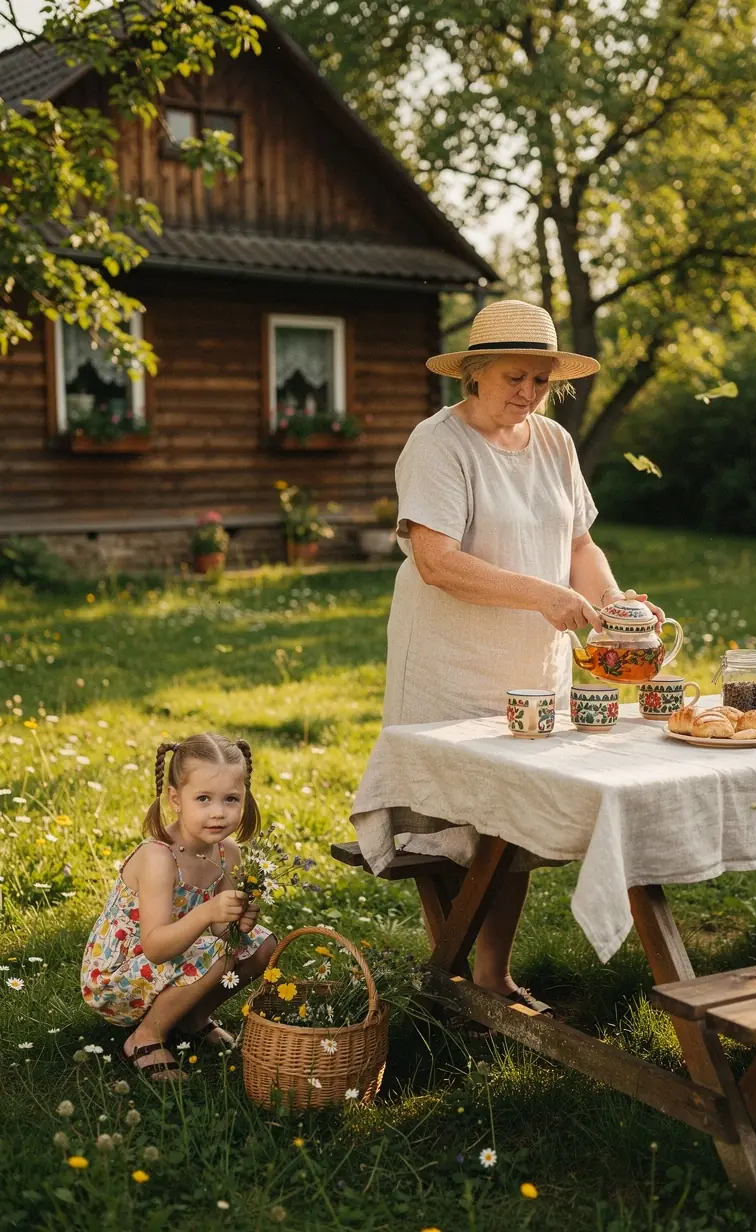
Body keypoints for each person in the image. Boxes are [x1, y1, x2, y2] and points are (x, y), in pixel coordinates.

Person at [352, 299, 664, 1012]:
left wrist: (615, 609)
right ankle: (454, 972)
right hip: (450, 661)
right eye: (513, 377)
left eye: (539, 381)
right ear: (474, 374)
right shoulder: (438, 445)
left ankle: (489, 975)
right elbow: (435, 561)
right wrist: (541, 595)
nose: (526, 393)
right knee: (462, 817)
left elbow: (580, 544)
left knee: (511, 812)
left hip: (533, 661)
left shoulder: (553, 443)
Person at [81, 732, 278, 1080]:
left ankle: (191, 1018)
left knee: (261, 945)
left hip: (176, 956)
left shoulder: (226, 851)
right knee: (218, 955)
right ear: (175, 798)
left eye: (231, 799)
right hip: (119, 975)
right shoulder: (159, 857)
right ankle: (144, 1039)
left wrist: (238, 920)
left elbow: (221, 932)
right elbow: (155, 948)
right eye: (203, 798)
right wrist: (209, 912)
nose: (219, 812)